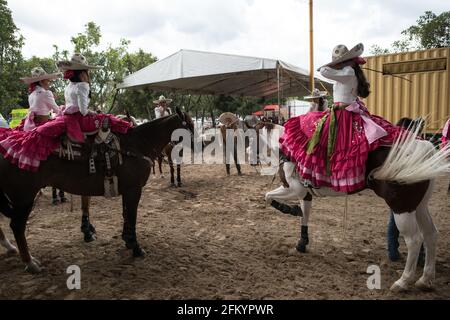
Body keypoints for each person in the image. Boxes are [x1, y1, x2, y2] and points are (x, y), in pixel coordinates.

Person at [280, 43, 402, 193]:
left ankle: (321, 176)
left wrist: (334, 65)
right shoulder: (349, 71)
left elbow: (323, 70)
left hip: (342, 114)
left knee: (324, 140)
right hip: (342, 111)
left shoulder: (348, 71)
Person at [0, 54, 132, 172]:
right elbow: (83, 111)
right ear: (83, 71)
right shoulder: (83, 85)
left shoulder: (68, 86)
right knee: (108, 120)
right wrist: (94, 112)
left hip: (65, 117)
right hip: (79, 119)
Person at [20, 67, 62, 131]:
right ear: (41, 81)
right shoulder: (46, 93)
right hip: (43, 126)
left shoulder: (31, 94)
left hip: (33, 126)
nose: (49, 82)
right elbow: (58, 111)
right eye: (47, 80)